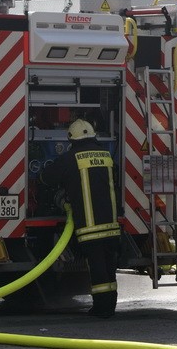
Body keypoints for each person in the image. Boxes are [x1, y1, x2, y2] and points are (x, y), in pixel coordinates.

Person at [39, 119, 121, 319]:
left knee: (98, 268)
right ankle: (110, 305)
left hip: (89, 227)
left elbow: (47, 178)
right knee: (109, 267)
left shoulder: (70, 158)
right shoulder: (106, 156)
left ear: (72, 139)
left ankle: (102, 308)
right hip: (111, 225)